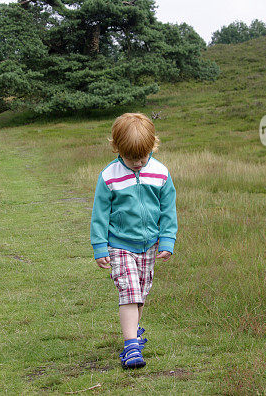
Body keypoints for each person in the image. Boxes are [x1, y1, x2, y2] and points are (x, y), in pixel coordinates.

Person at [90, 112, 178, 369]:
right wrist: (99, 246)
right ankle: (130, 346)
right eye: (131, 158)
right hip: (119, 243)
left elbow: (168, 210)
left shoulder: (160, 173)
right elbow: (99, 214)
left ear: (153, 146)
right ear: (117, 148)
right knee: (129, 292)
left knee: (140, 293)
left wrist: (167, 240)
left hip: (149, 244)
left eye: (143, 157)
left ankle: (134, 331)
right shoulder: (109, 176)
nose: (138, 163)